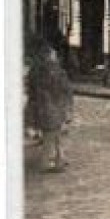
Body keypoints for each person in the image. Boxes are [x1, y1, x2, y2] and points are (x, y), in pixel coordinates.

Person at [26, 38, 73, 172]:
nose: (55, 56)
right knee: (52, 134)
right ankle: (48, 162)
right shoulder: (55, 70)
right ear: (49, 55)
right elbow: (65, 89)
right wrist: (67, 107)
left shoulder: (35, 70)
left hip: (42, 107)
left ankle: (60, 158)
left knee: (54, 134)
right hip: (53, 107)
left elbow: (31, 90)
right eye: (53, 54)